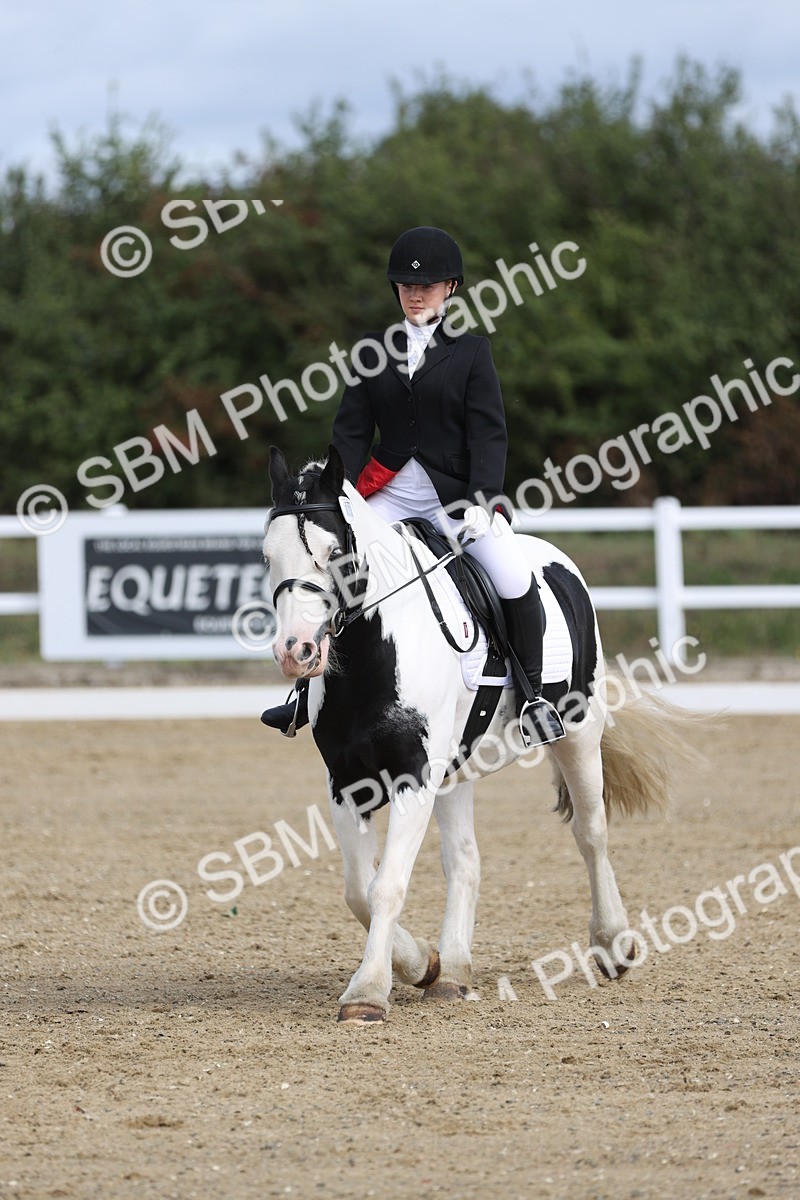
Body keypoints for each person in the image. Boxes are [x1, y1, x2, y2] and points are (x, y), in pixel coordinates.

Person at [262, 226, 565, 747]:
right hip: (390, 489)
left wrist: (485, 499)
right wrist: (342, 495)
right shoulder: (371, 351)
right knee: (339, 570)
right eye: (405, 286)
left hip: (457, 495)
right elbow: (351, 433)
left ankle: (535, 697)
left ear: (451, 288)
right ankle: (308, 697)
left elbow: (490, 433)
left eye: (427, 285)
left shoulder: (472, 353)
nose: (416, 293)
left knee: (514, 577)